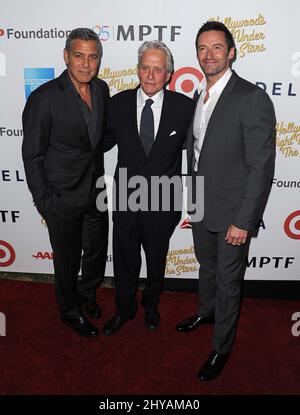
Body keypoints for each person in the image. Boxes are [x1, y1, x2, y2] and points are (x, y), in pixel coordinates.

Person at [176, 21, 276, 381]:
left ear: (232, 52)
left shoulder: (252, 97)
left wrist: (244, 220)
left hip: (233, 213)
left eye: (217, 47)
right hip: (201, 205)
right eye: (202, 48)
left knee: (229, 281)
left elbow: (261, 167)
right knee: (206, 267)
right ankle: (207, 312)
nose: (209, 54)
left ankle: (221, 348)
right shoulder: (198, 97)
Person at [22, 28, 109, 337]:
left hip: (96, 192)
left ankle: (87, 295)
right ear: (66, 56)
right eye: (79, 56)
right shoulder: (44, 98)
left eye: (93, 57)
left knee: (96, 252)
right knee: (68, 261)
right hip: (62, 197)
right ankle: (69, 311)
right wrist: (46, 202)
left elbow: (95, 141)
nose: (86, 64)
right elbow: (32, 155)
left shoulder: (101, 89)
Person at [102, 40, 194, 335]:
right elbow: (99, 142)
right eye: (146, 68)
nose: (151, 75)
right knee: (125, 260)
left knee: (156, 261)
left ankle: (151, 305)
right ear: (137, 69)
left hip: (162, 202)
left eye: (158, 69)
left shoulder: (184, 108)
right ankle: (124, 308)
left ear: (169, 74)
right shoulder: (117, 104)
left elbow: (198, 151)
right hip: (126, 200)